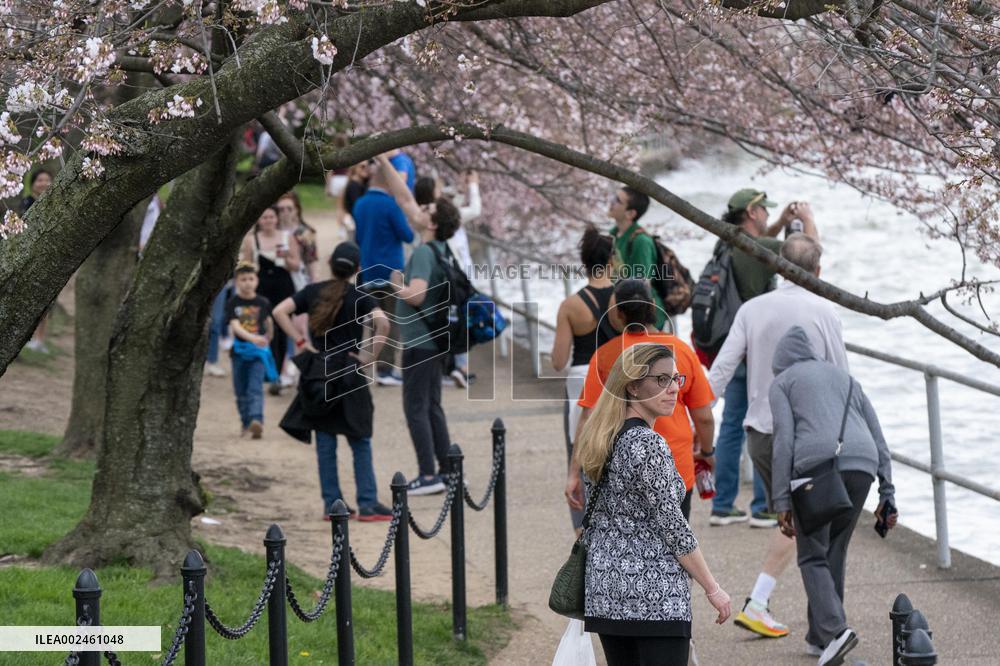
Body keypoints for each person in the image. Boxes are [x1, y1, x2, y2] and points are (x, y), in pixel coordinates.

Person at [708, 233, 847, 639]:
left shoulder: (752, 309)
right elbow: (841, 378)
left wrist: (695, 418)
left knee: (796, 522)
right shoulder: (825, 311)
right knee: (811, 528)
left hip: (763, 433)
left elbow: (721, 370)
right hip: (809, 436)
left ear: (777, 264)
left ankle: (804, 617)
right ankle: (805, 619)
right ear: (818, 270)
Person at [572, 342, 731, 666]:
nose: (673, 389)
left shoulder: (600, 437)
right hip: (653, 594)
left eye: (675, 379)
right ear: (632, 386)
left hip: (606, 589)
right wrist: (712, 588)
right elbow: (673, 527)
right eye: (661, 380)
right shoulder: (648, 443)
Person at [769, 325, 896, 663]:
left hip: (817, 469)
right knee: (834, 550)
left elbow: (783, 442)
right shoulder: (846, 378)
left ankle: (836, 631)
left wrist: (781, 500)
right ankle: (820, 637)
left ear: (779, 361)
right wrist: (887, 491)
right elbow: (878, 436)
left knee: (812, 554)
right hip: (863, 465)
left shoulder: (783, 382)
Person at [709, 189, 821, 529]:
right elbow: (806, 257)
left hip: (734, 342)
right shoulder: (762, 248)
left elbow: (767, 243)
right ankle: (764, 506)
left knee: (732, 426)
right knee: (766, 421)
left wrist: (781, 222)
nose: (768, 216)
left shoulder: (728, 242)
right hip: (759, 349)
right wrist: (808, 220)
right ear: (752, 212)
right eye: (765, 211)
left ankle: (722, 504)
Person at [568, 280, 716, 524]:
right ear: (653, 306)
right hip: (675, 465)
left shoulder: (606, 355)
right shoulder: (681, 351)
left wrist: (574, 472)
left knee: (630, 541)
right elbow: (704, 417)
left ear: (619, 314)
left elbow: (588, 418)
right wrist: (707, 452)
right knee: (675, 539)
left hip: (621, 469)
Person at [273, 242, 395, 522]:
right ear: (358, 269)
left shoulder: (312, 291)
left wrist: (300, 341)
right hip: (350, 371)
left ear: (329, 263)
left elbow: (279, 311)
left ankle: (333, 504)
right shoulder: (361, 296)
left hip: (319, 370)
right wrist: (368, 358)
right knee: (359, 438)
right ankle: (367, 502)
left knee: (325, 440)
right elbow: (384, 324)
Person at [378, 154, 462, 495]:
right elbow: (404, 198)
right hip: (434, 341)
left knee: (415, 409)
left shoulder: (426, 253)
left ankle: (428, 475)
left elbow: (416, 295)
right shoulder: (441, 249)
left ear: (433, 223)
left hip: (419, 342)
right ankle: (446, 471)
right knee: (432, 407)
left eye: (427, 210)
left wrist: (395, 283)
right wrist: (382, 159)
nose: (420, 209)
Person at [550, 224, 617, 532]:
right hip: (617, 377)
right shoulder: (622, 299)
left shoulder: (571, 306)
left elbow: (558, 361)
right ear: (611, 260)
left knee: (578, 452)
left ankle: (583, 529)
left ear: (584, 262)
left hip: (581, 379)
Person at [353, 157, 423, 386]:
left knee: (375, 320)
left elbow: (358, 237)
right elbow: (407, 235)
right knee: (391, 319)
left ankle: (370, 364)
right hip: (391, 270)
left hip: (368, 268)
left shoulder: (360, 204)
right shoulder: (390, 205)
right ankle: (386, 369)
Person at [414, 171, 482, 388]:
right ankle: (460, 368)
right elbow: (475, 210)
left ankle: (449, 366)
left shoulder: (420, 215)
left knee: (440, 318)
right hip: (455, 273)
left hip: (434, 272)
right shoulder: (441, 215)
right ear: (433, 192)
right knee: (458, 320)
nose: (442, 189)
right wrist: (473, 185)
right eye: (438, 187)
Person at [240, 206, 301, 395]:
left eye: (271, 217)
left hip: (283, 290)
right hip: (261, 291)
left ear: (277, 218)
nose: (268, 220)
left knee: (281, 333)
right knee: (261, 330)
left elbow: (296, 265)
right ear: (259, 220)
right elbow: (246, 268)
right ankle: (262, 372)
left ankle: (277, 375)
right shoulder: (251, 240)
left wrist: (286, 258)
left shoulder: (287, 237)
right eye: (264, 217)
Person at [226, 261, 277, 439]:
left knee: (255, 388)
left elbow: (269, 322)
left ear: (257, 280)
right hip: (239, 353)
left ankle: (257, 420)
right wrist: (253, 338)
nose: (247, 283)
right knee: (241, 391)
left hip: (258, 353)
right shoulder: (233, 303)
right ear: (236, 282)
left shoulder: (263, 302)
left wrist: (268, 338)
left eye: (251, 279)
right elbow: (235, 325)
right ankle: (245, 423)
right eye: (243, 279)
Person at [608, 186, 668, 331]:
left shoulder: (641, 241)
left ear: (630, 213)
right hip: (624, 312)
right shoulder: (613, 235)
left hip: (644, 318)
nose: (611, 202)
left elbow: (643, 285)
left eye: (617, 200)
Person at [22, 169, 54, 353]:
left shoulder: (56, 200)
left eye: (47, 180)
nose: (43, 183)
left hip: (50, 256)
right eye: (40, 180)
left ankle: (40, 340)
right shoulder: (27, 202)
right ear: (33, 183)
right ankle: (30, 337)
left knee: (46, 301)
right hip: (31, 255)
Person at [277, 191, 319, 287]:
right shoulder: (272, 230)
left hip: (299, 278)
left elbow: (311, 260)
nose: (285, 212)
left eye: (289, 209)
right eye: (281, 209)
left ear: (296, 210)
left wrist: (314, 282)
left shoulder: (306, 233)